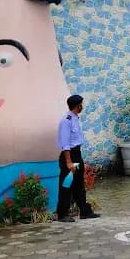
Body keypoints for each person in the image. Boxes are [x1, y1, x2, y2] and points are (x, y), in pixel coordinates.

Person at [56, 94, 100, 222]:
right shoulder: (67, 120)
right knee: (67, 185)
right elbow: (65, 144)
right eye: (81, 104)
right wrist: (69, 162)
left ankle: (85, 211)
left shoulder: (75, 118)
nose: (82, 106)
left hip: (77, 155)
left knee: (79, 185)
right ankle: (62, 214)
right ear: (77, 106)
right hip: (69, 157)